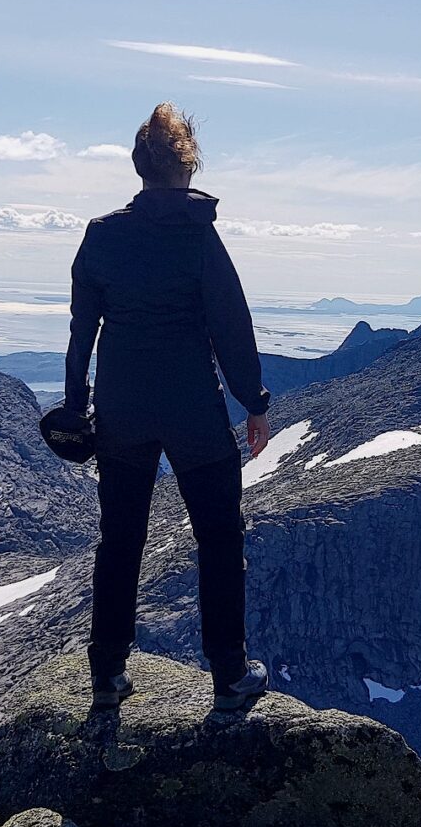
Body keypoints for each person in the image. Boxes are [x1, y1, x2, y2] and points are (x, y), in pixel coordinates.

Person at [64, 102, 273, 711]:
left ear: (139, 167)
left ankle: (107, 673)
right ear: (186, 167)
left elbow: (82, 333)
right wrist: (254, 402)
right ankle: (230, 674)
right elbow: (231, 324)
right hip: (192, 414)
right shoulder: (198, 235)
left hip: (122, 411)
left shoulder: (101, 237)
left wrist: (77, 407)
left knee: (120, 540)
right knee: (217, 535)